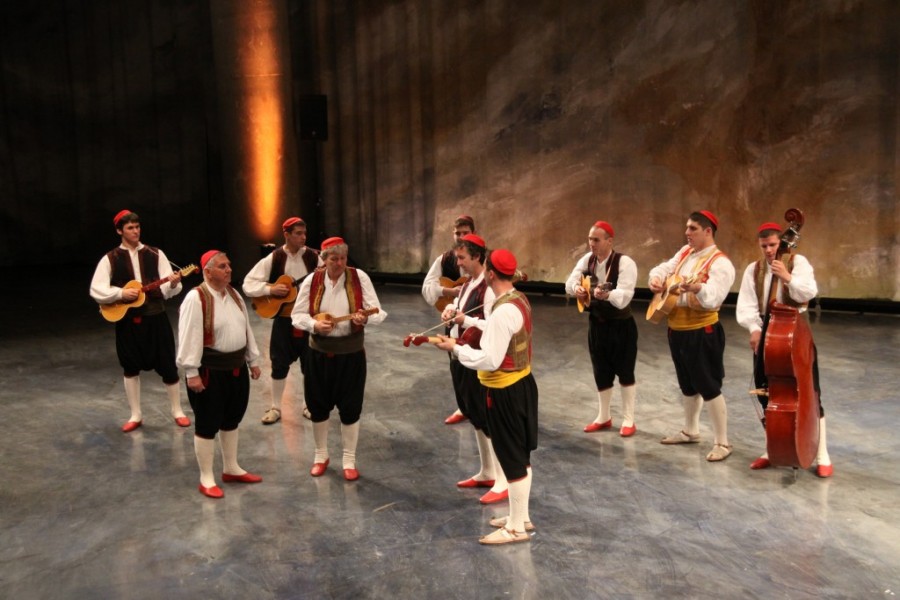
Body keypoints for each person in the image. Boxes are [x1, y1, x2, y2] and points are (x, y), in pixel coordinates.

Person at [435, 249, 538, 545]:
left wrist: (456, 348)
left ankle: (515, 529)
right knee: (520, 457)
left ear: (491, 273)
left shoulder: (503, 310)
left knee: (512, 459)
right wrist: (468, 321)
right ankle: (521, 517)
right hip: (521, 385)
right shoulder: (517, 299)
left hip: (505, 392)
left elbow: (490, 359)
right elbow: (494, 328)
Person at [735, 222, 833, 477]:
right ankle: (773, 449)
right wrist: (754, 329)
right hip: (767, 334)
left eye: (773, 245)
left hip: (795, 333)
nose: (769, 250)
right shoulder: (754, 270)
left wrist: (787, 278)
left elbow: (809, 292)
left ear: (782, 243)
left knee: (810, 394)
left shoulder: (797, 263)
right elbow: (746, 304)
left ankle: (822, 454)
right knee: (768, 395)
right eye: (764, 246)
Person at [291, 237, 387, 481]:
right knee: (317, 406)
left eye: (343, 258)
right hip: (318, 355)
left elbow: (379, 312)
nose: (340, 263)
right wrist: (314, 325)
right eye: (334, 259)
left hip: (351, 355)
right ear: (324, 259)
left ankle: (349, 459)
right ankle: (320, 455)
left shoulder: (359, 277)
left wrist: (365, 318)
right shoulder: (312, 280)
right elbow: (296, 315)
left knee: (351, 407)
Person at [89, 209, 190, 432]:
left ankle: (177, 410)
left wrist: (173, 283)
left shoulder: (156, 254)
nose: (135, 231)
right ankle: (135, 414)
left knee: (168, 365)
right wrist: (120, 294)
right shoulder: (110, 258)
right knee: (130, 366)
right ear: (120, 231)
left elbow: (167, 290)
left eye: (137, 227)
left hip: (156, 318)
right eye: (130, 228)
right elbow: (96, 289)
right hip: (128, 321)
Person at [648, 210, 736, 462]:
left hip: (701, 331)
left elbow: (714, 298)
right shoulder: (686, 252)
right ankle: (690, 431)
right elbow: (664, 268)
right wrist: (656, 278)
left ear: (708, 231)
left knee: (709, 385)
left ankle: (722, 442)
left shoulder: (720, 263)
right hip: (677, 329)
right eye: (687, 228)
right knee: (687, 384)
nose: (687, 233)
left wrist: (698, 288)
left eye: (693, 228)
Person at [177, 250, 263, 498]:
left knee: (231, 419)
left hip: (236, 368)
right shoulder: (196, 298)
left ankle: (231, 468)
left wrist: (253, 360)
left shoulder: (234, 294)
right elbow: (189, 336)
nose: (229, 270)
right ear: (207, 272)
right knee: (207, 423)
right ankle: (206, 477)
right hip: (210, 371)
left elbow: (246, 328)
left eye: (229, 265)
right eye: (222, 266)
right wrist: (191, 372)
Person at [441, 234, 508, 504]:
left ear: (477, 257)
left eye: (462, 258)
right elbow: (460, 308)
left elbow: (492, 326)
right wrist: (450, 310)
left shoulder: (488, 289)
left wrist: (465, 320)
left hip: (477, 358)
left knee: (487, 418)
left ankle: (503, 480)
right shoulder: (468, 283)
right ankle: (487, 471)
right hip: (460, 355)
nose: (458, 263)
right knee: (475, 415)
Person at [243, 216, 322, 425]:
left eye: (304, 233)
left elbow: (327, 278)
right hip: (284, 320)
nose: (303, 237)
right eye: (298, 234)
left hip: (308, 320)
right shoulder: (275, 258)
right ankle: (275, 407)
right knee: (278, 364)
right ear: (286, 235)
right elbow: (248, 283)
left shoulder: (314, 258)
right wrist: (270, 289)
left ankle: (308, 405)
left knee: (310, 365)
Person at [564, 220, 639, 437]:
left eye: (596, 240)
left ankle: (629, 419)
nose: (592, 244)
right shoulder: (587, 260)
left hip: (621, 326)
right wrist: (577, 288)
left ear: (609, 241)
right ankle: (603, 416)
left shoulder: (625, 263)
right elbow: (569, 283)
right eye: (590, 239)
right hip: (597, 325)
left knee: (625, 371)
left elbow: (624, 297)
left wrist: (606, 294)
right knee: (601, 371)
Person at [422, 214, 477, 425]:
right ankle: (463, 407)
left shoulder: (483, 257)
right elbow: (427, 286)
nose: (461, 237)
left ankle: (482, 408)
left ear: (473, 233)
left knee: (480, 365)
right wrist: (449, 291)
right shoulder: (445, 259)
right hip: (453, 319)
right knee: (457, 365)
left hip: (478, 320)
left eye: (465, 233)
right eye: (457, 233)